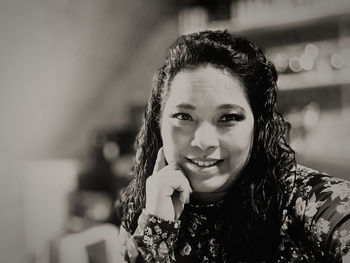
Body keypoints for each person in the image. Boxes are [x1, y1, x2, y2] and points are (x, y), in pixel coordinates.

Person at [117, 30, 350, 262]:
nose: (203, 141)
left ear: (258, 127)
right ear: (158, 122)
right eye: (183, 116)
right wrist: (156, 233)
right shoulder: (145, 207)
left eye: (228, 117)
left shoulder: (312, 202)